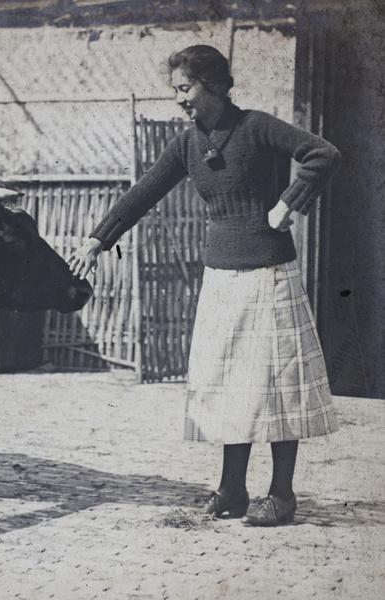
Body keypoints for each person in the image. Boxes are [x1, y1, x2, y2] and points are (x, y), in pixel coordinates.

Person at [69, 45, 341, 526]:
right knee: (228, 386)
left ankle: (282, 495)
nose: (179, 99)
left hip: (269, 273)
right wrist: (97, 239)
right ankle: (232, 489)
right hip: (220, 278)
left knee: (276, 384)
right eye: (175, 89)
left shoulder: (258, 126)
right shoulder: (187, 143)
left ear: (213, 84)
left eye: (185, 88)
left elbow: (323, 153)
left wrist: (288, 204)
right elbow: (143, 193)